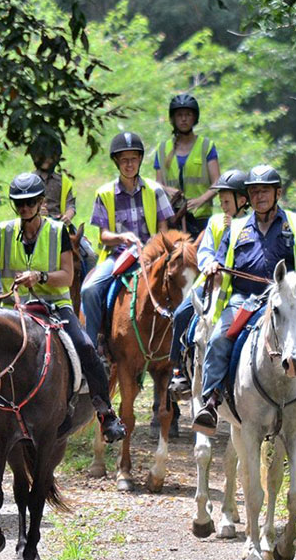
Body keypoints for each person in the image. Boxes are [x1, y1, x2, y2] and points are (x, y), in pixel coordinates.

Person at [0, 173, 127, 446]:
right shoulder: (4, 231)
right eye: (20, 203)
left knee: (86, 346)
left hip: (53, 306)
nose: (24, 208)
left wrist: (40, 277)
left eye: (30, 202)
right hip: (12, 309)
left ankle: (105, 413)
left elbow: (66, 275)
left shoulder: (57, 231)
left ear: (41, 202)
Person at [191, 165, 296, 442]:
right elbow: (218, 261)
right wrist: (211, 267)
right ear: (248, 196)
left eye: (265, 190)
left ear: (277, 193)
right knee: (220, 338)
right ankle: (211, 401)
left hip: (289, 303)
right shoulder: (236, 229)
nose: (259, 196)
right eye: (254, 191)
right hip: (245, 300)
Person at [81, 131, 175, 350]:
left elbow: (163, 231)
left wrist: (152, 248)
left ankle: (178, 351)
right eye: (124, 160)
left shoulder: (155, 190)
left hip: (152, 257)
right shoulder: (104, 193)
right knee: (89, 290)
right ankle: (94, 348)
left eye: (133, 159)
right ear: (117, 162)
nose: (129, 164)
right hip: (119, 257)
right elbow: (103, 235)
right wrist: (122, 237)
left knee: (180, 285)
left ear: (140, 159)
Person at [166, 168, 250, 399]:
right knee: (182, 314)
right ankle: (180, 371)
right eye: (221, 201)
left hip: (240, 289)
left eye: (226, 201)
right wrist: (210, 263)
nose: (222, 205)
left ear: (242, 200)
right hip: (210, 284)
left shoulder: (253, 224)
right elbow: (205, 252)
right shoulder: (214, 222)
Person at [27, 133, 97, 274]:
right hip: (33, 227)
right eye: (43, 156)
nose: (47, 160)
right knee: (11, 252)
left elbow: (71, 205)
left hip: (61, 226)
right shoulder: (28, 181)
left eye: (51, 156)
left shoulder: (62, 181)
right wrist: (36, 212)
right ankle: (5, 292)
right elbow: (21, 206)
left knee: (90, 255)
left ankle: (84, 292)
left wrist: (68, 216)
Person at [153, 94, 221, 238]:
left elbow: (217, 182)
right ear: (173, 118)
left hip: (200, 218)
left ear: (194, 118)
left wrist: (201, 200)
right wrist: (166, 189)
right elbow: (157, 184)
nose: (183, 119)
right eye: (179, 115)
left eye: (188, 115)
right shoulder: (162, 149)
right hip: (172, 217)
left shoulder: (206, 146)